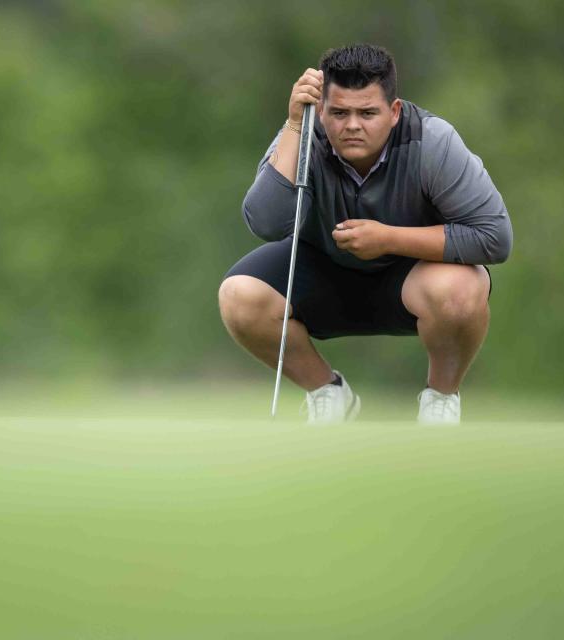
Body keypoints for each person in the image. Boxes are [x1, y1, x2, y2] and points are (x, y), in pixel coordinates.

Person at [218, 43, 512, 424]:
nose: (352, 125)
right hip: (322, 268)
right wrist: (294, 124)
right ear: (321, 109)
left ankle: (440, 400)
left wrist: (389, 239)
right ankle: (328, 393)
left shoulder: (431, 140)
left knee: (462, 288)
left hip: (413, 276)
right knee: (239, 295)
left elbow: (494, 236)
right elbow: (267, 223)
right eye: (338, 112)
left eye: (367, 113)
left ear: (394, 112)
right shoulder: (304, 132)